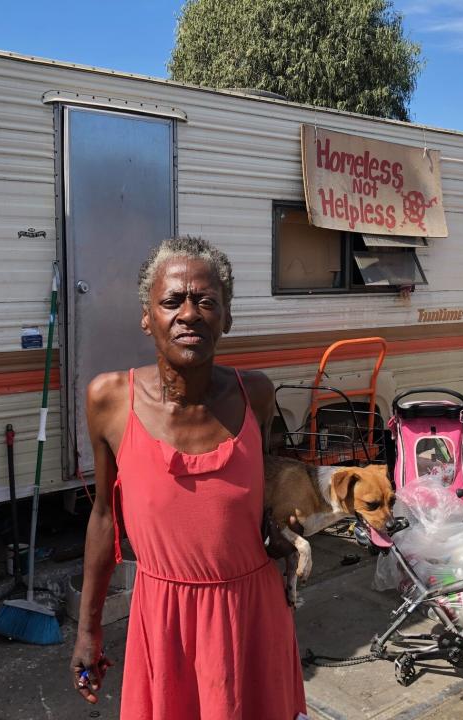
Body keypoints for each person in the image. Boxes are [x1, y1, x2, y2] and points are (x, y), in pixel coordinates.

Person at [70, 236, 307, 719]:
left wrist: (282, 530)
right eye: (172, 300)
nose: (190, 313)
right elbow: (103, 518)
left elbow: (267, 488)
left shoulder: (256, 394)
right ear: (146, 316)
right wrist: (88, 630)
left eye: (206, 301)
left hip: (252, 613)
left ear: (226, 318)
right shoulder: (110, 400)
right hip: (164, 619)